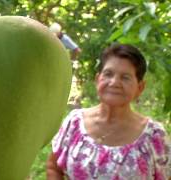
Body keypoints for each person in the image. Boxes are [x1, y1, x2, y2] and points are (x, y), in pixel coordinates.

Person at [46, 44, 171, 179]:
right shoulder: (75, 123)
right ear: (97, 80)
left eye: (125, 77)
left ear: (140, 87)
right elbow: (54, 167)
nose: (114, 82)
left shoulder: (154, 136)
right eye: (108, 74)